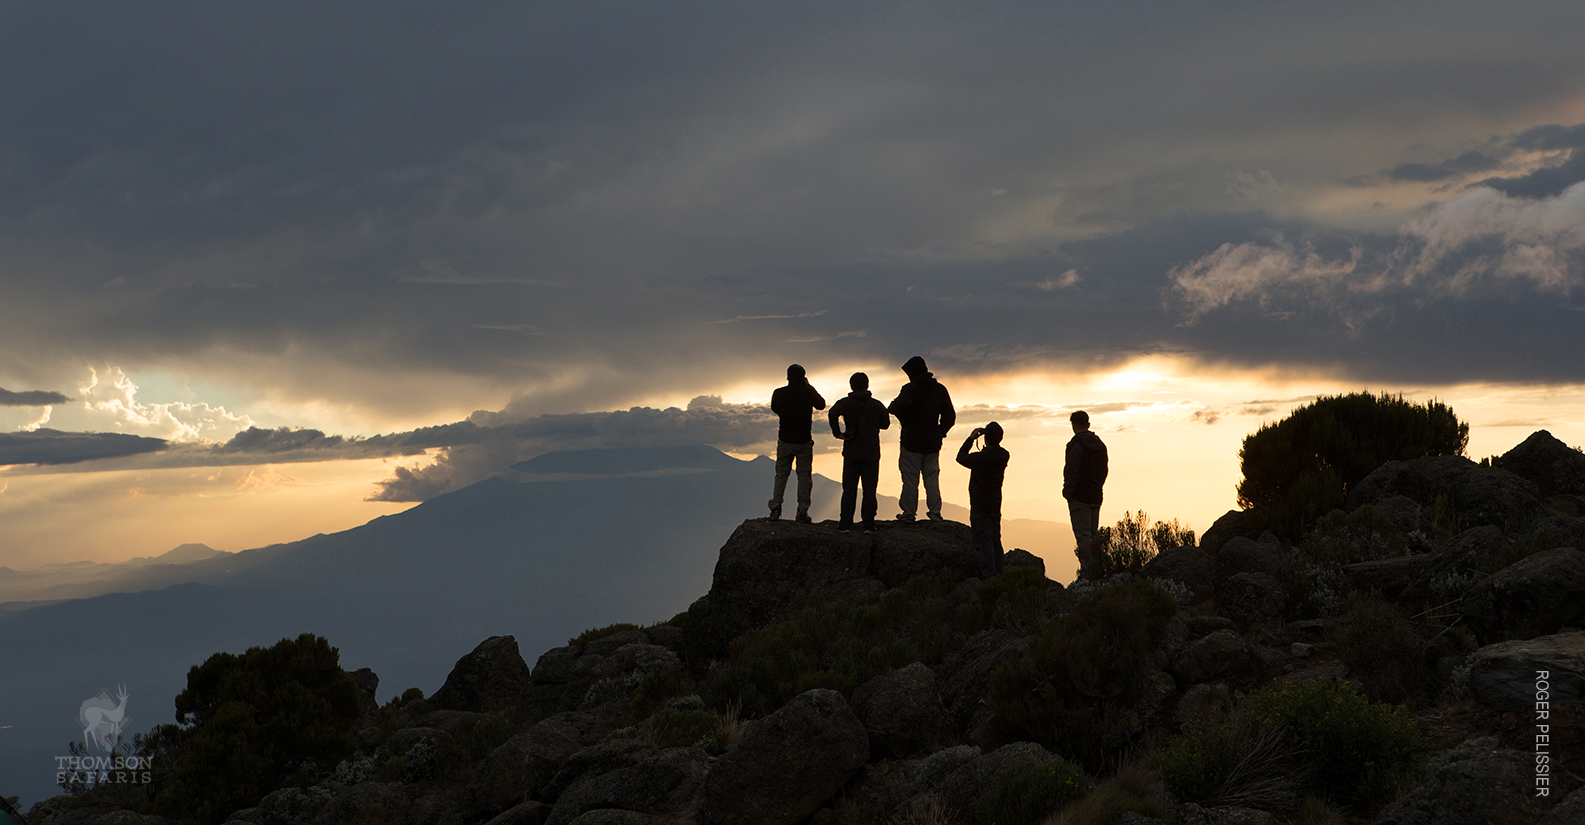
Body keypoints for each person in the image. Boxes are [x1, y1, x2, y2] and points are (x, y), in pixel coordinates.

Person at [887, 355, 955, 522]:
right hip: (932, 443)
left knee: (910, 479)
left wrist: (906, 422)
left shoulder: (910, 389)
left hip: (911, 442)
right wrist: (940, 432)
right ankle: (935, 513)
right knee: (931, 479)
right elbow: (950, 416)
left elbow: (896, 408)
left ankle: (909, 514)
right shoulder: (940, 389)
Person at [828, 372, 891, 533]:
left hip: (851, 452)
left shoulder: (845, 403)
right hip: (871, 453)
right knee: (870, 490)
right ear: (867, 385)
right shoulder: (877, 405)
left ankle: (845, 524)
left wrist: (838, 433)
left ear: (851, 386)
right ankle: (868, 525)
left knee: (849, 489)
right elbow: (885, 424)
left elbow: (832, 412)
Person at [767, 363, 826, 522]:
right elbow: (821, 404)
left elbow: (775, 408)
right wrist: (809, 386)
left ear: (787, 377)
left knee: (781, 474)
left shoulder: (779, 393)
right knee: (804, 476)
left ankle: (776, 508)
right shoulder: (808, 392)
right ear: (803, 377)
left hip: (785, 440)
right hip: (803, 441)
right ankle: (802, 511)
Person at [956, 421, 1010, 578]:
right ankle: (1000, 572)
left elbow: (960, 457)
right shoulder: (1004, 455)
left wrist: (971, 439)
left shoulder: (980, 458)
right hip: (995, 504)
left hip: (979, 505)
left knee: (984, 541)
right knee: (995, 539)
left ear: (986, 438)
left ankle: (989, 576)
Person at [1062, 410, 1109, 578]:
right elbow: (1104, 471)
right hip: (1096, 495)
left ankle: (1088, 574)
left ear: (1073, 425)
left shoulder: (1076, 445)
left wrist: (1068, 492)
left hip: (1080, 498)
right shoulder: (1100, 445)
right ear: (1088, 425)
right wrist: (1097, 486)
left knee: (1083, 536)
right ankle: (1097, 571)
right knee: (1093, 536)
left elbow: (1071, 471)